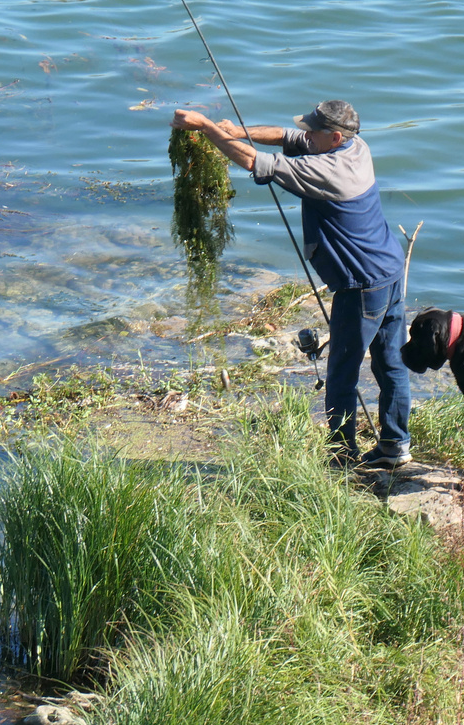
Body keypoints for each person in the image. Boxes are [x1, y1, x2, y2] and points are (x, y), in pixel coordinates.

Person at [169, 100, 411, 469]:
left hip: (361, 285)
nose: (305, 134)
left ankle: (341, 460)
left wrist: (205, 127)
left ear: (333, 137)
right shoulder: (355, 148)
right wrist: (236, 130)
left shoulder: (328, 170)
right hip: (389, 271)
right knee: (391, 364)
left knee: (341, 376)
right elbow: (286, 136)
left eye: (313, 130)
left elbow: (254, 162)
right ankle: (396, 446)